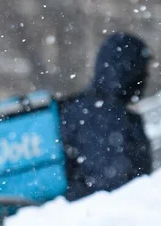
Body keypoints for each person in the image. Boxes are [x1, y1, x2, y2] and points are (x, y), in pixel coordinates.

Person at [61, 32, 153, 201]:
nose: (146, 76)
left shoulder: (94, 108)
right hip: (98, 223)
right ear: (129, 68)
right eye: (142, 69)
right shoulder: (103, 115)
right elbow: (113, 186)